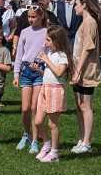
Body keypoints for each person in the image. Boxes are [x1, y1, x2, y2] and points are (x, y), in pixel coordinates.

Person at [32, 25, 74, 163]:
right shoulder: (50, 54)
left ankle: (54, 153)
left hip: (55, 90)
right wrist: (39, 69)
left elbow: (59, 73)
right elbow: (50, 74)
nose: (46, 43)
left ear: (57, 41)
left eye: (48, 40)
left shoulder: (62, 56)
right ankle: (47, 144)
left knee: (52, 124)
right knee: (38, 121)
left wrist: (46, 60)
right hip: (45, 88)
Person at [13, 4, 48, 154]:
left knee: (35, 107)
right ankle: (26, 134)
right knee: (25, 108)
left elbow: (50, 52)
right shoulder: (25, 32)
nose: (31, 19)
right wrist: (16, 74)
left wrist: (43, 66)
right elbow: (19, 54)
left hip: (39, 70)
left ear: (41, 16)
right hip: (26, 71)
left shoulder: (47, 32)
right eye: (29, 17)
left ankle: (35, 140)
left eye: (34, 16)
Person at [71, 0, 101, 154]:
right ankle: (82, 138)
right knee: (79, 105)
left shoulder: (90, 23)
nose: (74, 7)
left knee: (85, 106)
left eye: (76, 4)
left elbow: (87, 49)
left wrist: (78, 71)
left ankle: (87, 142)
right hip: (79, 69)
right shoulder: (85, 23)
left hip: (86, 71)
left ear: (84, 5)